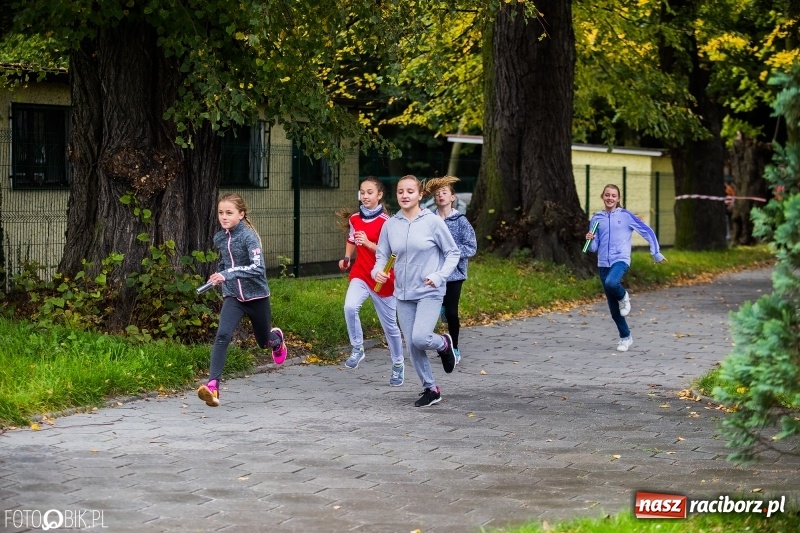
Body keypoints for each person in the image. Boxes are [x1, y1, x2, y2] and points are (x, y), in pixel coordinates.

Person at [373, 175, 460, 407]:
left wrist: (439, 275)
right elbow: (382, 255)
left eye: (410, 191)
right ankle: (431, 389)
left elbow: (453, 252)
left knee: (421, 338)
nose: (405, 195)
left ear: (420, 195)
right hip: (403, 293)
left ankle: (443, 343)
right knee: (412, 346)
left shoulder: (432, 222)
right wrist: (377, 272)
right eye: (401, 191)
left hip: (430, 290)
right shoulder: (390, 225)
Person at [197, 193, 287, 407]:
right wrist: (218, 275)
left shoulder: (248, 237)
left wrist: (227, 274)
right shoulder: (220, 238)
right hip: (233, 297)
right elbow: (225, 263)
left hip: (256, 297)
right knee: (222, 336)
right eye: (221, 213)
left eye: (229, 213)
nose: (224, 217)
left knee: (263, 342)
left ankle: (276, 340)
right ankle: (213, 386)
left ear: (241, 214)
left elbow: (257, 268)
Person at [337, 176, 405, 386]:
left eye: (369, 192)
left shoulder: (388, 222)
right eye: (362, 192)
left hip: (382, 279)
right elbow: (351, 239)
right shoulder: (355, 219)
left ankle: (398, 365)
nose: (365, 196)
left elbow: (393, 253)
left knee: (390, 327)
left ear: (379, 195)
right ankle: (357, 348)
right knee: (349, 307)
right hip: (360, 274)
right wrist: (347, 258)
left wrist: (367, 243)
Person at [585, 184, 666, 353]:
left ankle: (624, 296)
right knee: (614, 310)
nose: (610, 198)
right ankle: (625, 337)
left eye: (613, 195)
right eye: (607, 195)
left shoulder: (626, 215)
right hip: (603, 263)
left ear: (618, 199)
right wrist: (591, 239)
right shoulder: (596, 218)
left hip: (620, 259)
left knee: (612, 283)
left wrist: (655, 252)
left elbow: (647, 231)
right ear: (602, 197)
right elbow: (593, 248)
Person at [425, 175, 477, 365]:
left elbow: (471, 247)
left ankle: (454, 346)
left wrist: (452, 253)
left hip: (455, 274)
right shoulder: (429, 220)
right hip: (433, 273)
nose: (440, 196)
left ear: (452, 198)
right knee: (435, 310)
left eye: (444, 193)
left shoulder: (461, 221)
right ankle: (433, 337)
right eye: (437, 193)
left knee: (452, 313)